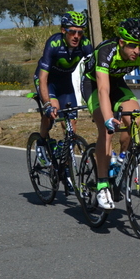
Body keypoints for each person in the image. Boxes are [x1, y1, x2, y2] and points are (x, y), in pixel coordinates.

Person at [81, 18, 140, 211]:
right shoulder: (106, 52)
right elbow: (103, 90)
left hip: (116, 84)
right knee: (106, 131)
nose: (137, 51)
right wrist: (107, 118)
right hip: (94, 85)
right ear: (121, 42)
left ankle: (122, 158)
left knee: (134, 116)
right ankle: (103, 184)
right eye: (132, 46)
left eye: (139, 46)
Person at [32, 11, 94, 173]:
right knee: (52, 111)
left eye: (80, 32)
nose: (76, 36)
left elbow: (95, 73)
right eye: (72, 31)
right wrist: (46, 104)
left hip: (65, 82)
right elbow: (43, 78)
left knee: (71, 127)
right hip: (48, 81)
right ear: (63, 30)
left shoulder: (85, 45)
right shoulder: (54, 44)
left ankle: (66, 168)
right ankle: (41, 143)